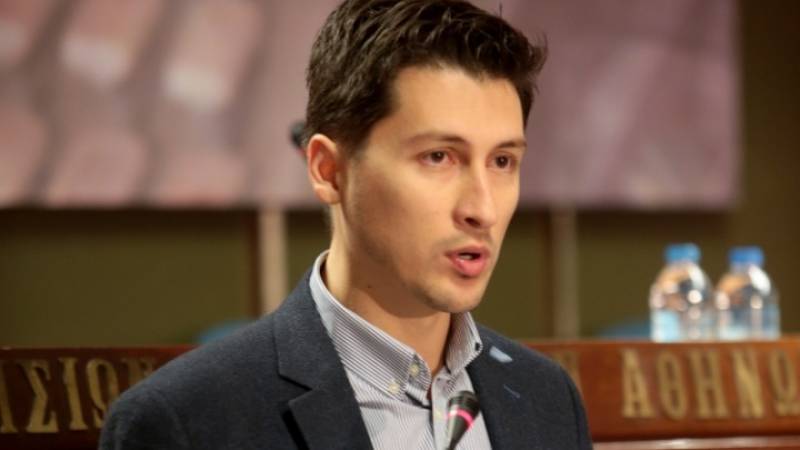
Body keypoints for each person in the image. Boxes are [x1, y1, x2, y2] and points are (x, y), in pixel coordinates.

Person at [100, 0, 592, 449]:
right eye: (438, 157)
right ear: (328, 170)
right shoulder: (186, 421)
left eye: (503, 161)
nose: (482, 209)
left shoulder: (547, 398)